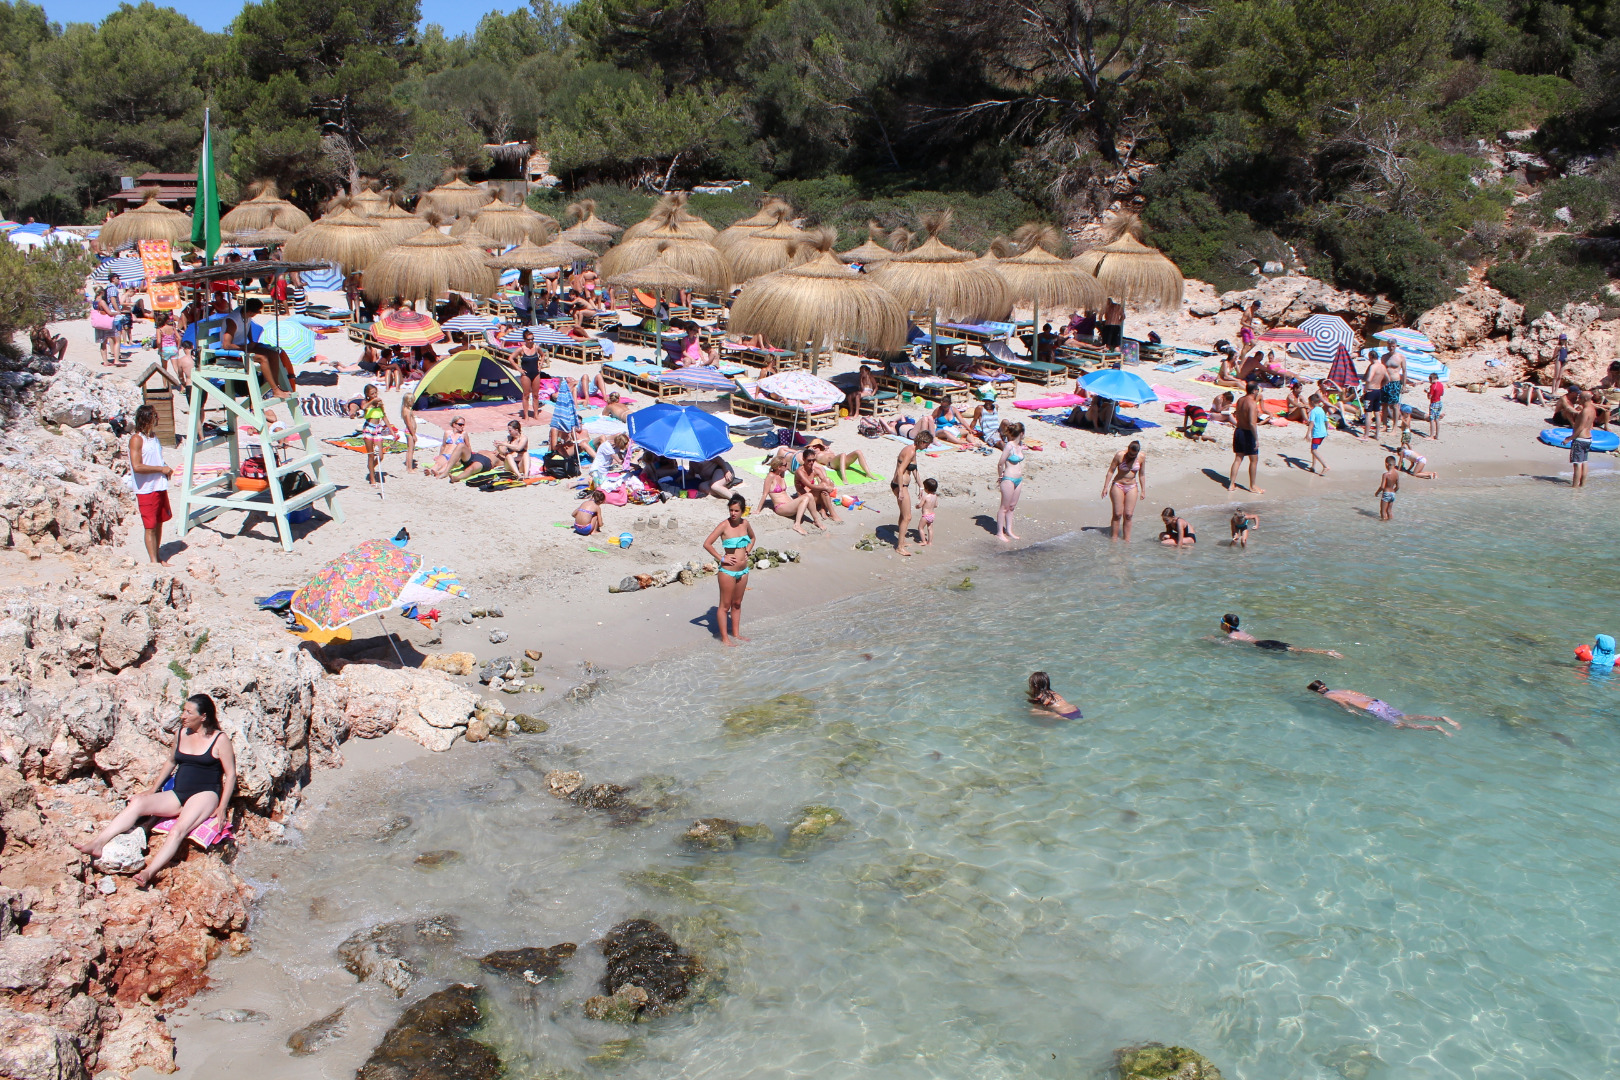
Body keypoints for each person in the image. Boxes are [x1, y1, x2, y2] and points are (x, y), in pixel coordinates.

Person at [74, 694, 236, 887]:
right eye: (183, 710)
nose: (183, 715)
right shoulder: (181, 733)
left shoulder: (219, 739)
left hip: (205, 794)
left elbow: (231, 774)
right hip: (179, 792)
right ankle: (98, 843)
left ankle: (149, 872)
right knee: (138, 803)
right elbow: (171, 761)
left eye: (188, 712)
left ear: (203, 716)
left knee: (178, 830)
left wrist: (222, 807)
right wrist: (153, 789)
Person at [1307, 680, 1459, 734]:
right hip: (1378, 702)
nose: (1322, 689)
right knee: (1405, 716)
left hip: (1373, 709)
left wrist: (1351, 711)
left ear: (1317, 691)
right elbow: (1357, 693)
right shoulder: (1339, 689)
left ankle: (1435, 728)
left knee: (1401, 725)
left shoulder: (1328, 695)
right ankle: (1441, 718)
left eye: (1320, 688)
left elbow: (1342, 703)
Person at [702, 494, 755, 646]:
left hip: (743, 571)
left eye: (736, 511)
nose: (733, 513)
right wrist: (721, 558)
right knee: (725, 606)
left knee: (737, 603)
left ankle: (736, 634)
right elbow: (707, 543)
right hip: (727, 571)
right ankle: (725, 639)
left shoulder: (745, 524)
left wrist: (748, 551)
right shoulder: (724, 525)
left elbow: (753, 538)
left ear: (742, 511)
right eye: (731, 510)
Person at [128, 404, 173, 564]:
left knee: (159, 522)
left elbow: (155, 459)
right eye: (155, 416)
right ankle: (153, 561)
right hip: (146, 489)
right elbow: (137, 466)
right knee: (150, 525)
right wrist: (161, 469)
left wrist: (165, 468)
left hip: (159, 486)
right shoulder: (136, 439)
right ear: (147, 419)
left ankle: (158, 556)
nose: (158, 418)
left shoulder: (154, 438)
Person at [892, 429, 933, 556]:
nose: (927, 446)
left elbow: (915, 470)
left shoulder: (914, 450)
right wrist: (900, 491)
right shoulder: (910, 451)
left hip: (903, 485)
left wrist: (921, 487)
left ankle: (902, 541)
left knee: (903, 515)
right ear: (922, 441)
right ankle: (899, 547)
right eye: (927, 444)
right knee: (908, 516)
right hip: (900, 485)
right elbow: (900, 471)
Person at [1220, 615, 1342, 657]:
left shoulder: (1232, 637)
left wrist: (1211, 640)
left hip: (1263, 645)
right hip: (1266, 641)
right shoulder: (1239, 630)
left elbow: (1226, 644)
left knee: (1296, 650)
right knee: (1295, 649)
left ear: (1226, 625)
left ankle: (1325, 652)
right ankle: (1325, 652)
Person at [758, 455, 821, 534]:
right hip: (781, 507)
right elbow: (764, 494)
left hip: (790, 504)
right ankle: (797, 525)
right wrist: (758, 510)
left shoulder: (781, 474)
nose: (787, 466)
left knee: (810, 495)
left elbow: (789, 468)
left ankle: (816, 521)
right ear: (778, 467)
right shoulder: (771, 476)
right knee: (806, 497)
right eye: (785, 465)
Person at [1101, 439, 1145, 540]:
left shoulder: (1141, 457)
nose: (1131, 456)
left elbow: (1142, 474)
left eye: (1134, 455)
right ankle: (1114, 539)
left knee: (1128, 515)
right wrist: (1105, 487)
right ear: (1128, 449)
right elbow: (1111, 471)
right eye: (1130, 453)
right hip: (1118, 485)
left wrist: (1143, 490)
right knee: (1117, 514)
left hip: (1132, 486)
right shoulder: (1120, 455)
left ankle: (1126, 541)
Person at [1228, 383, 1264, 495]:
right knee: (1254, 460)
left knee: (1238, 458)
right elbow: (1252, 423)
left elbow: (1237, 414)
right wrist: (1256, 439)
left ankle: (1231, 484)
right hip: (1248, 433)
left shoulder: (1240, 400)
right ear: (1254, 391)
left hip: (1238, 430)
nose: (1258, 392)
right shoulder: (1252, 404)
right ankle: (1252, 486)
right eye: (1257, 390)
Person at [795, 445, 843, 523]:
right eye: (809, 460)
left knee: (826, 480)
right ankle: (831, 513)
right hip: (805, 497)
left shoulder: (814, 470)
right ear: (803, 460)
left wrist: (830, 486)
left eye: (813, 460)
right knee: (824, 487)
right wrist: (826, 488)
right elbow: (810, 485)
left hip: (814, 496)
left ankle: (824, 509)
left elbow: (827, 481)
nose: (811, 463)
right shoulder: (800, 471)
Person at [996, 421, 1026, 542]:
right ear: (1022, 433)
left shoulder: (1020, 445)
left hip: (1018, 479)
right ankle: (999, 532)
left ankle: (1009, 530)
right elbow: (1000, 463)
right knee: (1004, 507)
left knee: (1012, 506)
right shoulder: (1009, 446)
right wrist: (1000, 475)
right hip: (1008, 478)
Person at [359, 383, 390, 487]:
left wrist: (392, 431)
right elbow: (363, 407)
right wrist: (372, 401)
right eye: (372, 394)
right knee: (371, 454)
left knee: (380, 455)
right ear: (368, 395)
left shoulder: (379, 403)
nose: (375, 395)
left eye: (375, 393)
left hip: (377, 428)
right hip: (368, 428)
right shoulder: (366, 402)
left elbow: (384, 416)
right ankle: (372, 478)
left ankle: (371, 467)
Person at [1569, 389, 1597, 489]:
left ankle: (1574, 488)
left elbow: (1581, 427)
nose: (1578, 399)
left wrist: (1570, 438)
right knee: (1584, 463)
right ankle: (1582, 486)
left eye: (1579, 397)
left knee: (1577, 465)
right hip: (1588, 439)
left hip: (1580, 439)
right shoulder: (1592, 409)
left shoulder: (1585, 411)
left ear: (1584, 399)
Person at [1362, 351, 1390, 441]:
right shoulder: (1382, 366)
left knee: (1368, 413)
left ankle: (1366, 435)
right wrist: (1381, 385)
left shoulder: (1373, 367)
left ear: (1371, 357)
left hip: (1370, 390)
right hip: (1378, 390)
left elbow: (1369, 379)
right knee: (1377, 412)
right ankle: (1377, 435)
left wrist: (1365, 389)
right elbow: (1388, 379)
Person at [1306, 392, 1330, 474]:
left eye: (1309, 402)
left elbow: (1311, 423)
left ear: (1312, 402)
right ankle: (1313, 466)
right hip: (1323, 433)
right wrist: (1326, 431)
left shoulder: (1314, 411)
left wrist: (1308, 433)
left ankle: (1325, 466)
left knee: (1314, 450)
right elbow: (1327, 422)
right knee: (1314, 448)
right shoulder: (1322, 410)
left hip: (1317, 433)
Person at [1375, 455, 1400, 520]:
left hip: (1386, 493)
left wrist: (1377, 492)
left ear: (1387, 464)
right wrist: (1393, 491)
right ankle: (1390, 523)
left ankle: (1383, 524)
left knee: (1383, 511)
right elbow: (1398, 487)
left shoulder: (1386, 474)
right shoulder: (1396, 474)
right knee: (1389, 511)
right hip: (1393, 494)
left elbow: (1382, 486)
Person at [1426, 373, 1444, 440]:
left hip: (1434, 403)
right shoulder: (1441, 385)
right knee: (1437, 419)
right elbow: (1442, 394)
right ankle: (1437, 435)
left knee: (1432, 419)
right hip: (1439, 402)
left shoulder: (1433, 386)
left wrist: (1427, 392)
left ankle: (1431, 435)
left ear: (1433, 379)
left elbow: (1429, 397)